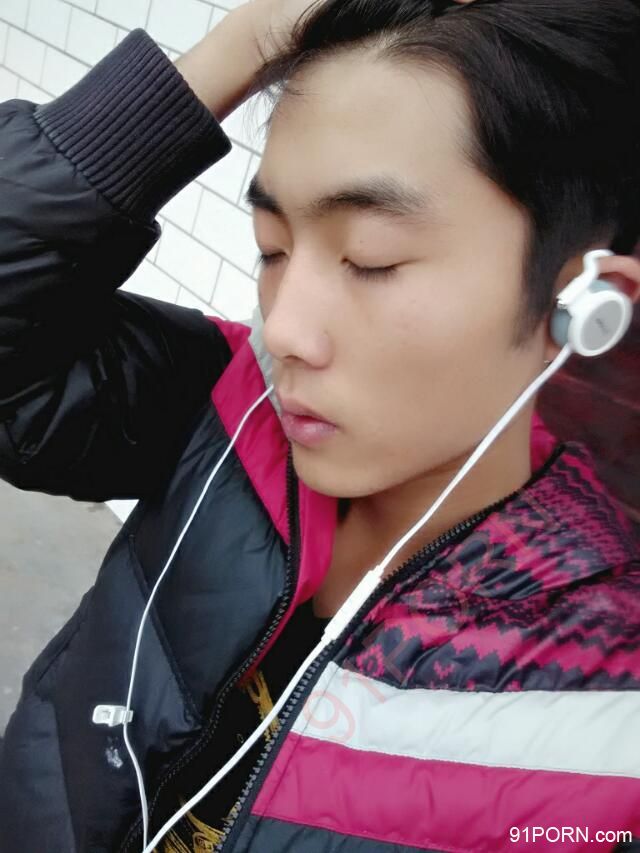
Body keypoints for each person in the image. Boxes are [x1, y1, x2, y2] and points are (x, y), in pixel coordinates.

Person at [1, 0, 640, 850]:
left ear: (584, 306)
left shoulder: (600, 702)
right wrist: (244, 42)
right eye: (272, 247)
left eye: (371, 259)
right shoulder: (228, 407)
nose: (284, 329)